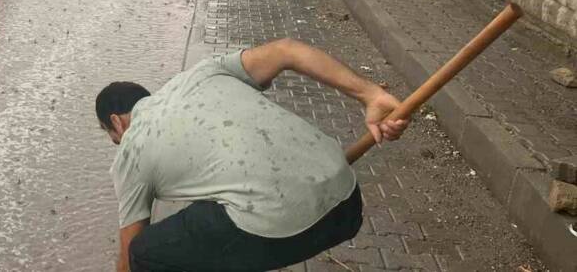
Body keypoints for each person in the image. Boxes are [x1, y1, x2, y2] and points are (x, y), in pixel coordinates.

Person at [96, 40, 409, 272]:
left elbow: (127, 259)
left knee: (144, 254)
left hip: (284, 226)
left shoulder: (131, 151)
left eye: (112, 139)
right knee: (207, 213)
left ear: (116, 123)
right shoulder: (203, 73)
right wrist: (370, 94)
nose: (117, 144)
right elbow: (288, 50)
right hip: (347, 201)